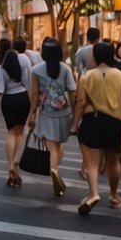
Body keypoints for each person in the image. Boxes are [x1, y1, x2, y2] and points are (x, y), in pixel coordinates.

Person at [74, 42, 121, 214]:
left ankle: (93, 194)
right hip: (115, 122)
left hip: (92, 120)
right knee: (113, 162)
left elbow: (81, 102)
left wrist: (74, 123)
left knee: (92, 163)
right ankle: (114, 196)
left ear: (96, 56)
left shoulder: (86, 77)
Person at [27, 39, 76, 198]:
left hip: (46, 113)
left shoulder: (36, 70)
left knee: (51, 147)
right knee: (59, 146)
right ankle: (55, 169)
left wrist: (32, 114)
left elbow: (35, 94)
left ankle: (53, 169)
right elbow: (72, 93)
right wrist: (75, 116)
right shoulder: (66, 69)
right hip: (64, 112)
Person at [0, 49, 31, 188]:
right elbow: (28, 85)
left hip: (8, 99)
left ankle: (10, 166)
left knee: (10, 132)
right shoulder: (22, 67)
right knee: (20, 132)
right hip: (23, 98)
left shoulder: (0, 69)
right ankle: (16, 160)